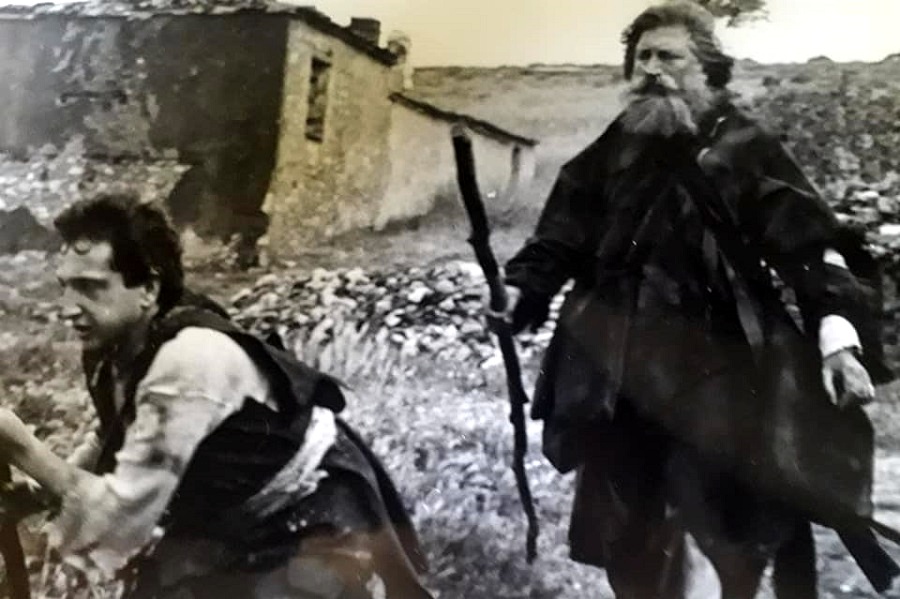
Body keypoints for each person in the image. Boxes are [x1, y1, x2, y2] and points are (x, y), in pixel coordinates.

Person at [495, 2, 896, 598]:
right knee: (628, 534)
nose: (652, 70)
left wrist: (839, 342)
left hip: (725, 373)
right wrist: (520, 291)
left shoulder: (747, 146)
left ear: (708, 68)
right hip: (620, 375)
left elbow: (812, 246)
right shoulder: (614, 149)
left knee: (730, 532)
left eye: (669, 57)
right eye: (642, 58)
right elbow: (560, 236)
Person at [0, 194, 433, 599]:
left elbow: (123, 520)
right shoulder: (111, 341)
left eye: (91, 287)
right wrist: (42, 490)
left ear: (149, 288)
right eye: (65, 286)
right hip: (225, 513)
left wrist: (24, 448)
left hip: (308, 512)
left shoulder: (190, 359)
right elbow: (112, 433)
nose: (68, 306)